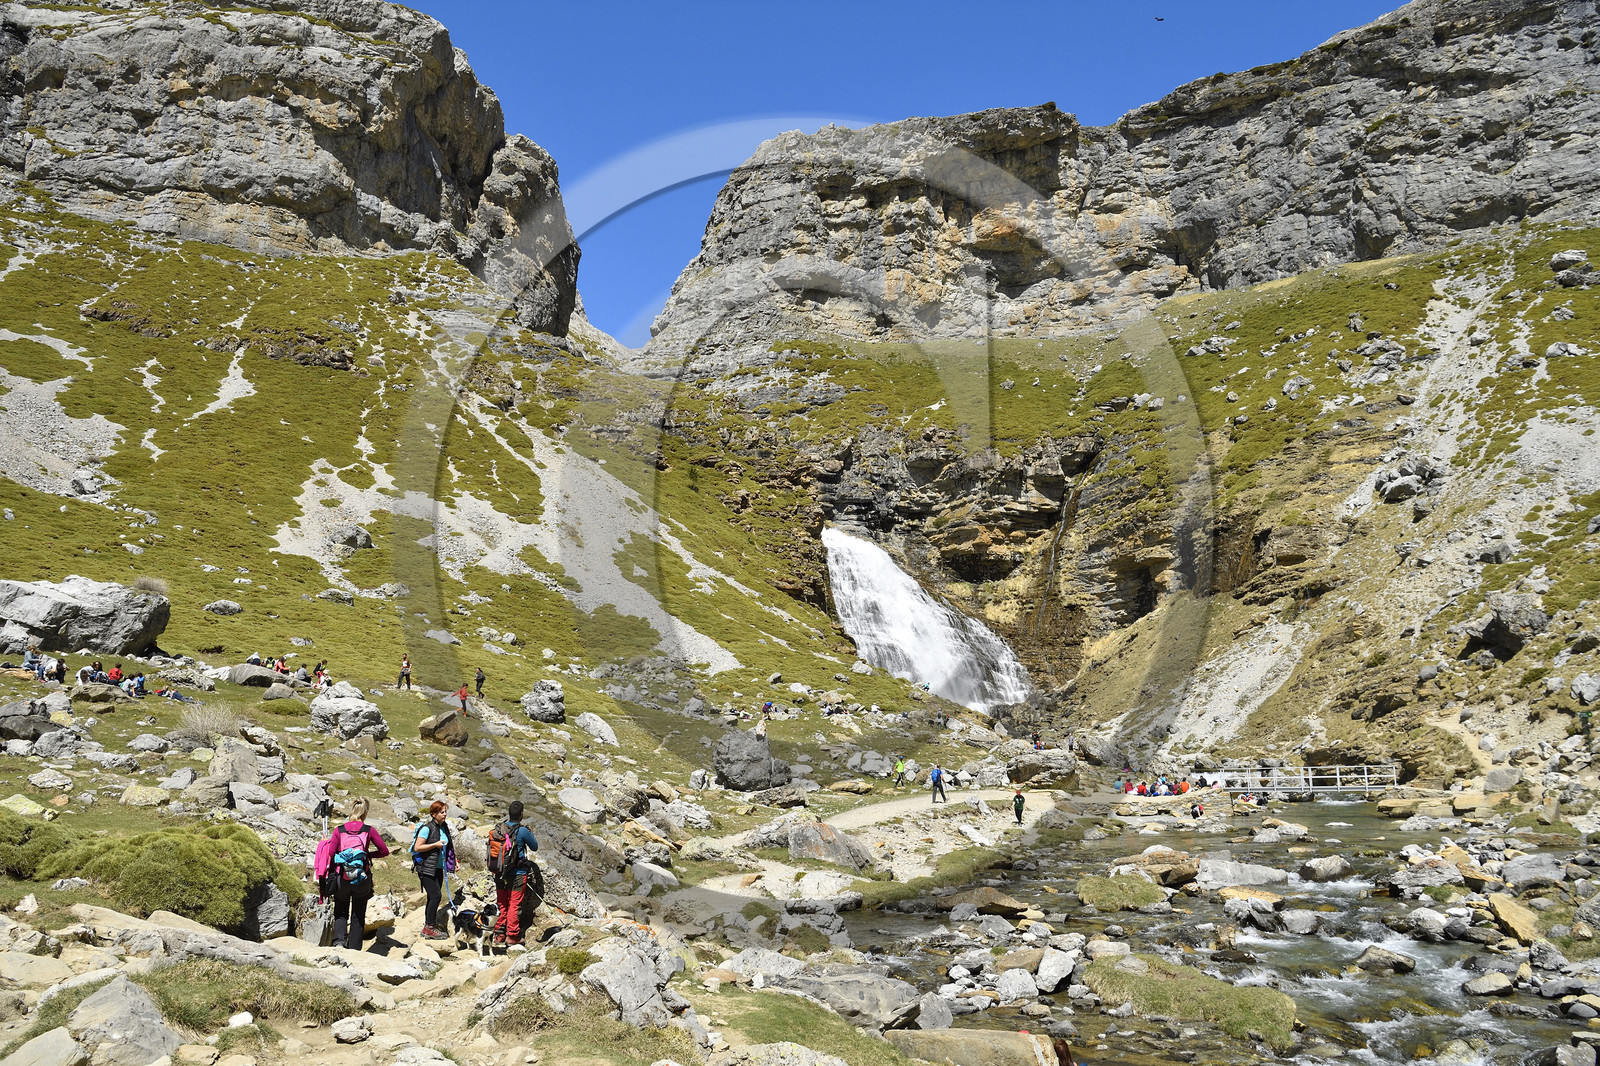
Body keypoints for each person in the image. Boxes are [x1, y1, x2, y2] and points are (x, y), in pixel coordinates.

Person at [317, 798, 389, 951]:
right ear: (365, 813)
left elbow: (331, 853)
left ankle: (339, 943)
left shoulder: (339, 830)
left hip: (342, 877)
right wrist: (367, 856)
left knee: (341, 911)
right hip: (361, 878)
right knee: (358, 914)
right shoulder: (369, 830)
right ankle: (355, 949)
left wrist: (327, 842)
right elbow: (384, 851)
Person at [490, 800, 540, 948]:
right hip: (517, 873)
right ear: (522, 814)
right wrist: (529, 833)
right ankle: (512, 936)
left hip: (499, 872)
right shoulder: (522, 831)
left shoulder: (498, 828)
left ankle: (499, 934)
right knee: (514, 903)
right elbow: (535, 847)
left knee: (502, 902)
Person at [411, 801, 452, 941]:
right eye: (442, 812)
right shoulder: (427, 828)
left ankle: (428, 926)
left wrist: (454, 860)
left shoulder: (444, 827)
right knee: (436, 896)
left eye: (445, 811)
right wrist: (435, 844)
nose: (445, 814)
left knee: (432, 897)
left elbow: (449, 844)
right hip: (426, 867)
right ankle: (430, 927)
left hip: (438, 867)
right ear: (433, 814)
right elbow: (417, 847)